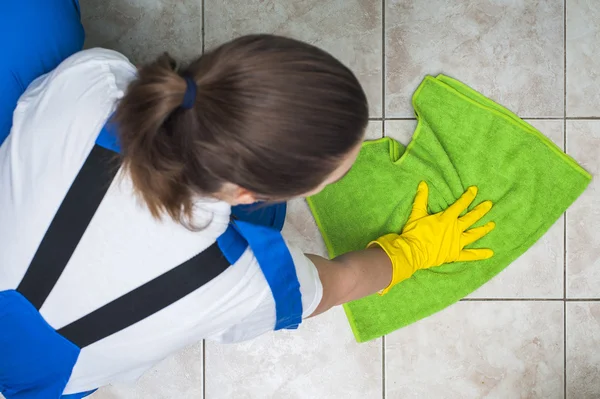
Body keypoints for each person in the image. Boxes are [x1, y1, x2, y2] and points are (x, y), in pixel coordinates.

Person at [0, 1, 496, 398]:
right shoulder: (237, 283)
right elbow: (338, 282)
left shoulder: (95, 80)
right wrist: (412, 252)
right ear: (244, 193)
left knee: (31, 17)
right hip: (40, 382)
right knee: (267, 224)